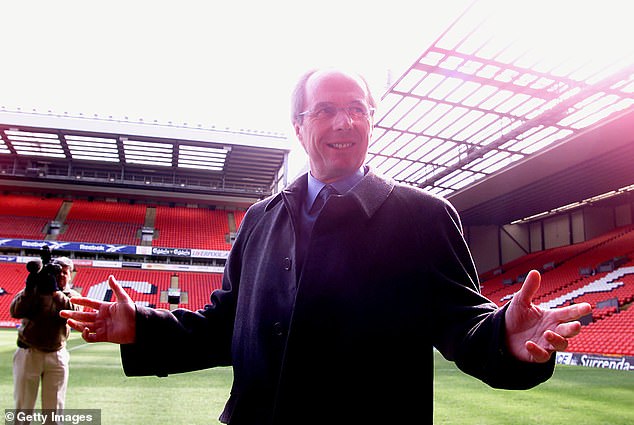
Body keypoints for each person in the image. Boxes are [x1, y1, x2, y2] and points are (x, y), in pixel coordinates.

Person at [61, 68, 592, 424]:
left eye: (358, 108)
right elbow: (226, 326)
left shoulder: (425, 217)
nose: (346, 121)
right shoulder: (259, 221)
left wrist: (505, 336)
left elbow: (465, 325)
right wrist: (143, 327)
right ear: (298, 127)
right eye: (326, 109)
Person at [11, 254, 81, 417]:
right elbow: (15, 311)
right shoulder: (36, 290)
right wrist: (30, 289)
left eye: (66, 272)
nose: (62, 275)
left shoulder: (73, 296)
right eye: (58, 271)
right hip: (29, 352)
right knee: (23, 409)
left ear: (71, 275)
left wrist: (55, 293)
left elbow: (73, 313)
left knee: (54, 411)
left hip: (57, 354)